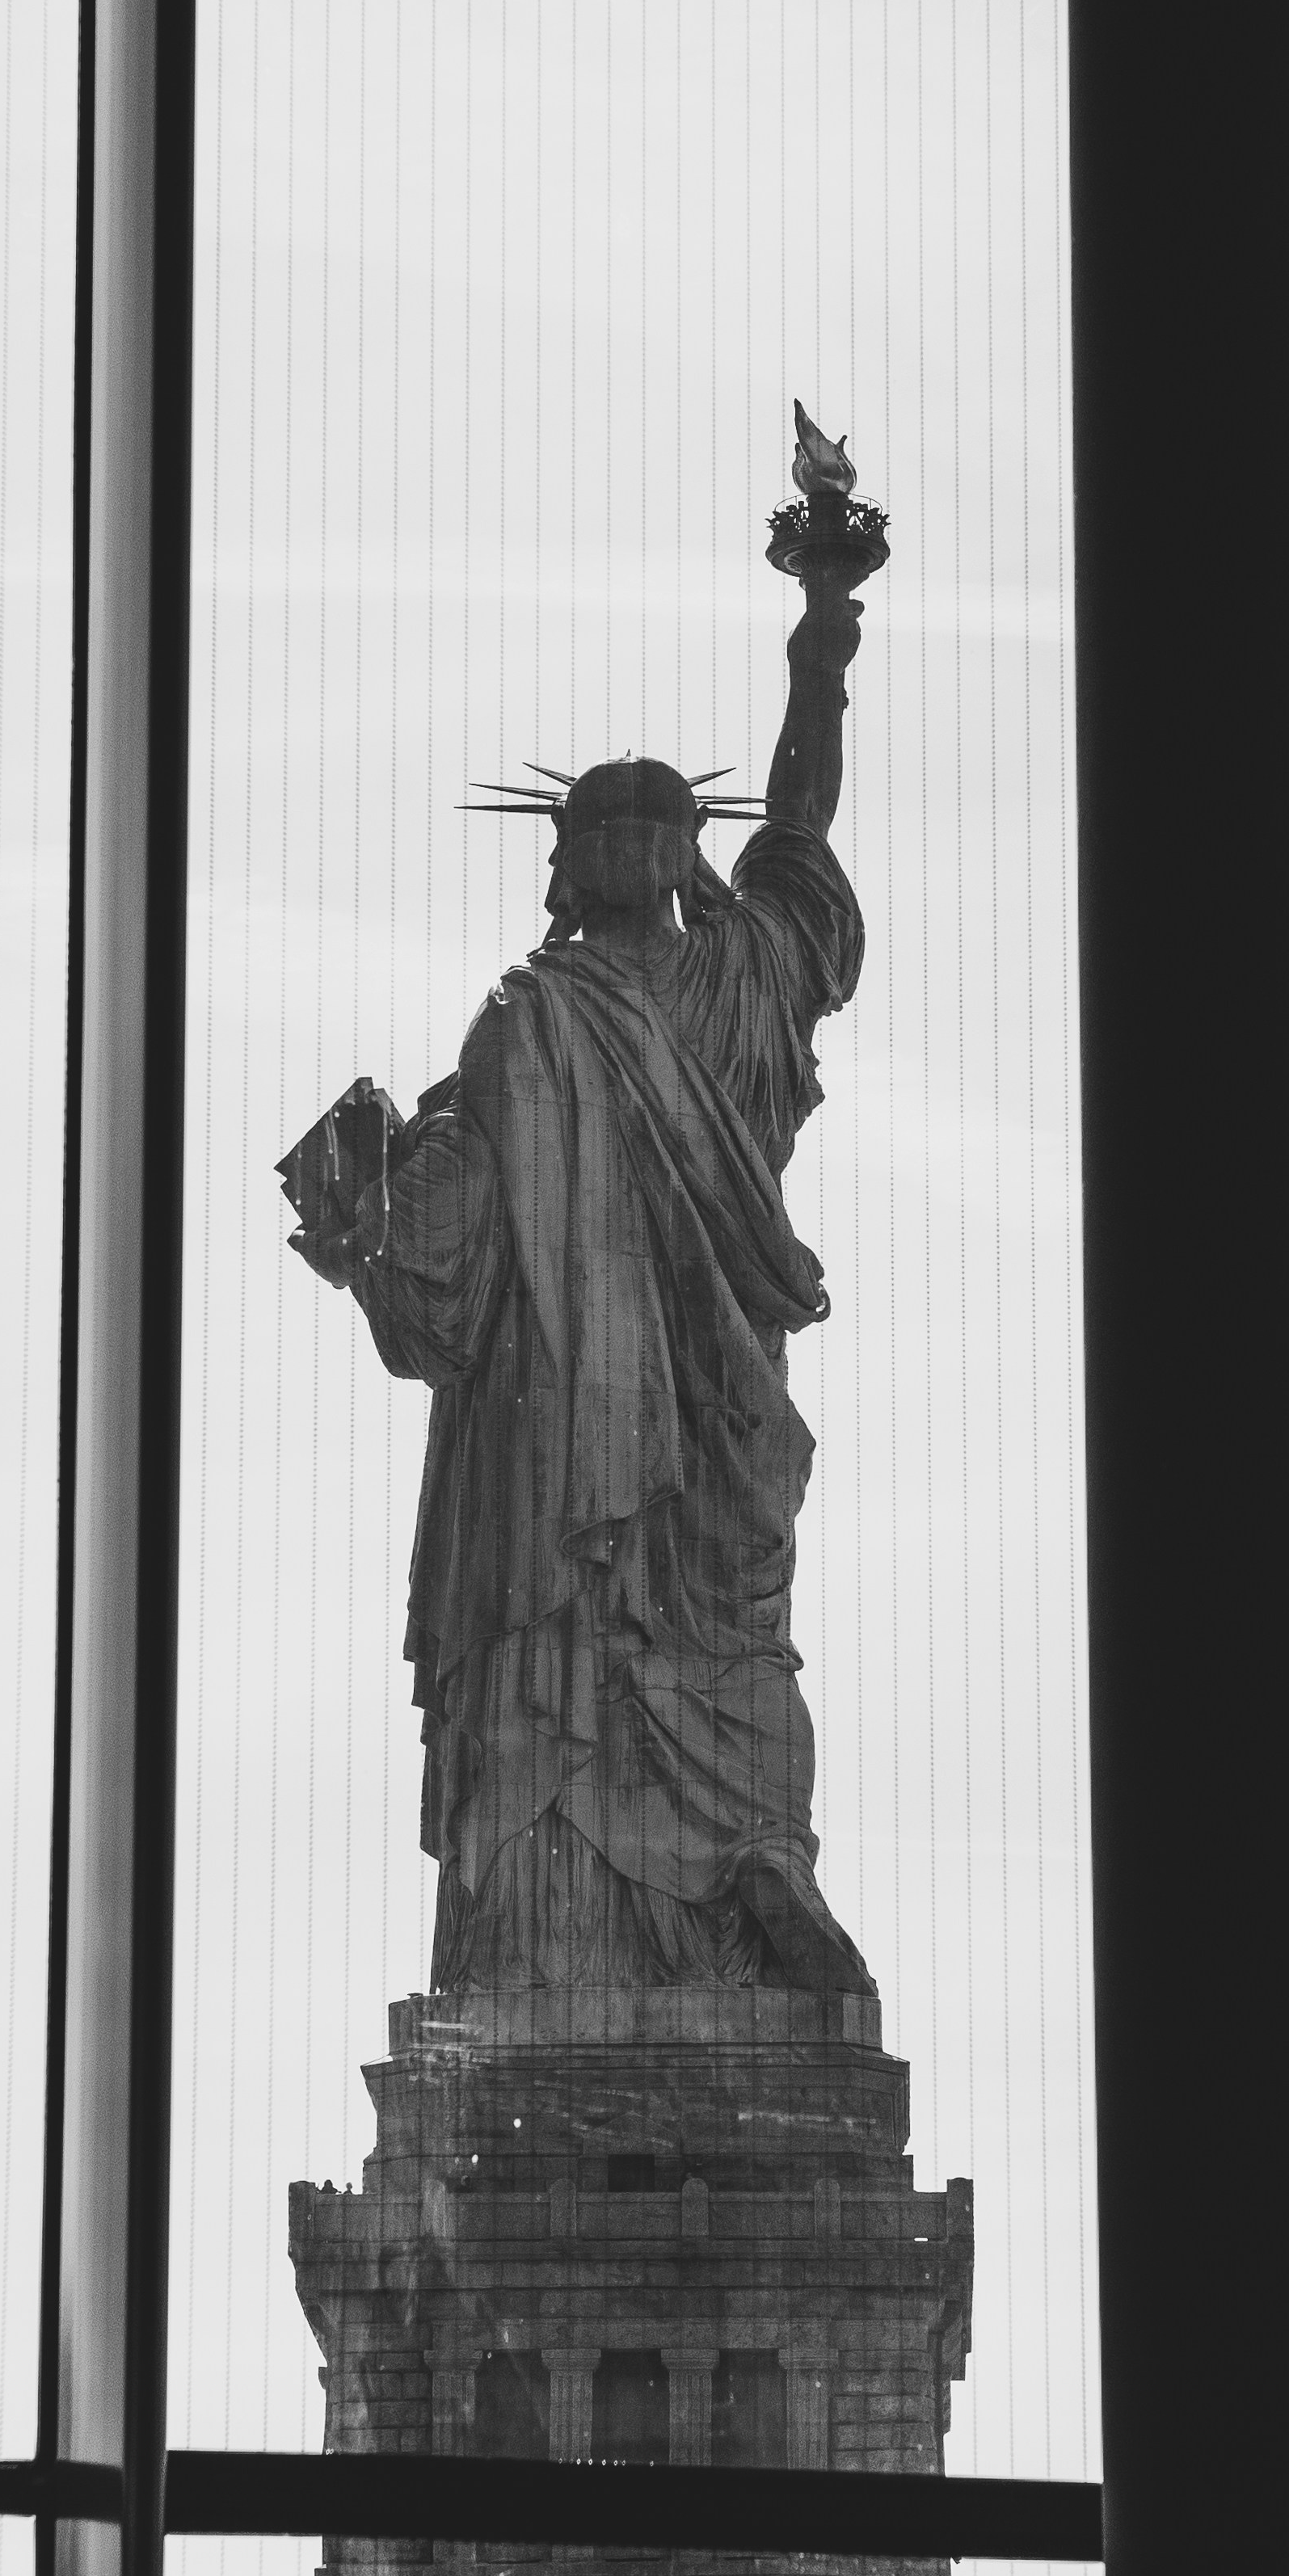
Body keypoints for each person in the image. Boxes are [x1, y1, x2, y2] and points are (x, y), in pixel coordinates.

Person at [284, 454, 878, 2003]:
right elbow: (449, 1275)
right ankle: (653, 1911)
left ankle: (710, 1896)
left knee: (664, 1639)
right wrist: (371, 1214)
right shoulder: (556, 1022)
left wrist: (824, 633)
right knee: (666, 1644)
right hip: (579, 1441)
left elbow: (802, 815)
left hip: (646, 1432)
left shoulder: (598, 1010)